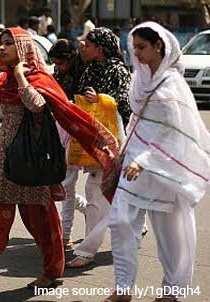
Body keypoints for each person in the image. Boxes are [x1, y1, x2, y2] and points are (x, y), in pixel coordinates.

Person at [0, 27, 119, 298]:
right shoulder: (3, 81)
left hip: (33, 160)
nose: (1, 49)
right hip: (3, 158)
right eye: (1, 44)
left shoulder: (39, 78)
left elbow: (36, 104)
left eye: (9, 44)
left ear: (23, 50)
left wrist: (22, 76)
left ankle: (51, 272)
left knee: (42, 222)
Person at [104, 22, 210, 302]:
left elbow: (174, 131)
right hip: (132, 165)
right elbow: (137, 120)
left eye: (142, 47)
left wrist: (144, 160)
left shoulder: (173, 84)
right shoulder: (138, 78)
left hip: (163, 168)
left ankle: (172, 291)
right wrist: (124, 151)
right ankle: (124, 287)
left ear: (158, 46)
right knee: (120, 221)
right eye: (134, 46)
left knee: (170, 236)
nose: (135, 52)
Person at [64, 27, 132, 268]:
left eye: (89, 44)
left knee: (97, 191)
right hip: (90, 136)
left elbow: (125, 103)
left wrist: (100, 99)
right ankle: (132, 232)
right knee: (110, 194)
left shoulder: (119, 70)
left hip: (111, 138)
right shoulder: (90, 68)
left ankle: (87, 250)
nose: (84, 47)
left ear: (100, 48)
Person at [48, 39, 87, 249]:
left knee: (67, 185)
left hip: (76, 133)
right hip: (58, 134)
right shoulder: (57, 76)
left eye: (61, 63)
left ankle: (65, 235)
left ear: (71, 59)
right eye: (55, 63)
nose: (58, 67)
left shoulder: (84, 75)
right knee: (65, 187)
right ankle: (89, 211)